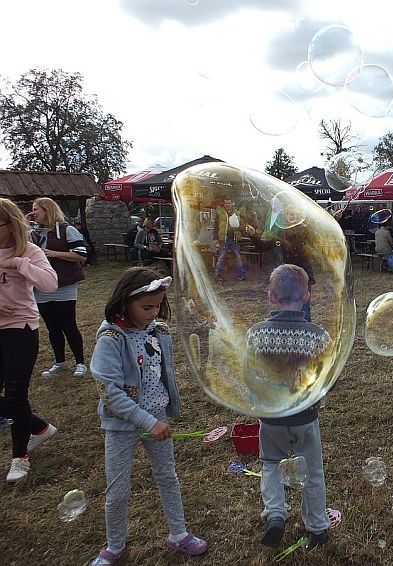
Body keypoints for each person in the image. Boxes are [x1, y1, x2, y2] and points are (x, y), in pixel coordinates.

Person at [89, 267, 208, 565]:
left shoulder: (158, 331)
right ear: (124, 302)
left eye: (158, 306)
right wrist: (148, 421)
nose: (154, 312)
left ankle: (178, 533)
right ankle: (115, 546)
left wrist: (163, 414)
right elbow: (111, 394)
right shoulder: (110, 339)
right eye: (147, 307)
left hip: (158, 418)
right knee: (118, 490)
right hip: (123, 425)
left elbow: (162, 372)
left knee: (168, 476)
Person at [246, 264, 333, 549]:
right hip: (306, 416)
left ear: (271, 297)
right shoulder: (319, 336)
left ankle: (275, 514)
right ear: (306, 296)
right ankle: (318, 528)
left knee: (271, 463)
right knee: (313, 471)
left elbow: (249, 375)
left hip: (271, 417)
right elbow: (326, 378)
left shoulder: (256, 334)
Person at [0, 198, 59, 482]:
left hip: (19, 329)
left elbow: (50, 284)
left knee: (14, 393)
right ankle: (38, 427)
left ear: (11, 226)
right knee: (13, 399)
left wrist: (20, 263)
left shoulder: (30, 251)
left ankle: (19, 456)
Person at [30, 197, 89, 378]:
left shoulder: (66, 230)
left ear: (48, 210)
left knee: (68, 324)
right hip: (41, 287)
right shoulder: (34, 233)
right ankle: (59, 362)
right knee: (52, 327)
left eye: (36, 209)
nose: (33, 213)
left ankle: (80, 363)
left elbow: (81, 255)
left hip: (63, 285)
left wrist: (53, 253)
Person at [213, 196, 249, 282]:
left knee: (238, 257)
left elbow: (242, 226)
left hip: (234, 239)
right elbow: (216, 227)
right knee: (221, 257)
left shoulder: (237, 213)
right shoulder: (219, 213)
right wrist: (215, 239)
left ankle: (242, 275)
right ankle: (218, 276)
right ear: (224, 204)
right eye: (226, 203)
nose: (227, 205)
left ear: (232, 203)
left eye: (229, 203)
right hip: (223, 239)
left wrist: (239, 228)